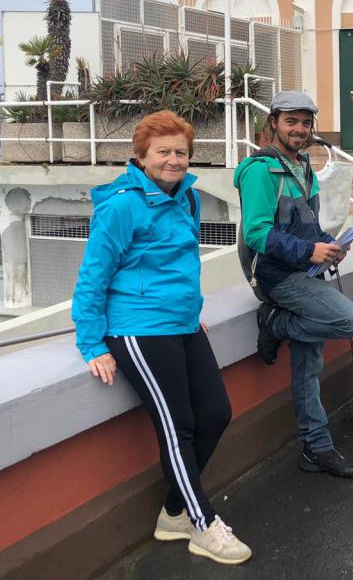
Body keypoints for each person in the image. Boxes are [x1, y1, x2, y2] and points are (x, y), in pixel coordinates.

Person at [72, 110, 251, 566]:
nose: (173, 160)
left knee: (216, 414)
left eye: (181, 152)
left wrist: (190, 313)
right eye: (163, 152)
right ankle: (203, 524)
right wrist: (92, 344)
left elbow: (180, 265)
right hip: (137, 329)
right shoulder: (122, 205)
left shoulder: (186, 198)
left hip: (182, 324)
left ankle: (173, 512)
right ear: (142, 156)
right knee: (179, 429)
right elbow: (93, 276)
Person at [235, 91, 353, 478]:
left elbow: (305, 223)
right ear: (273, 122)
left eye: (306, 122)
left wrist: (326, 246)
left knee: (308, 364)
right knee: (351, 322)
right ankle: (275, 323)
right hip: (276, 276)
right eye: (291, 120)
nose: (300, 129)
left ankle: (317, 448)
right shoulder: (260, 170)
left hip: (303, 270)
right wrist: (309, 251)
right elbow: (257, 233)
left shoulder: (303, 164)